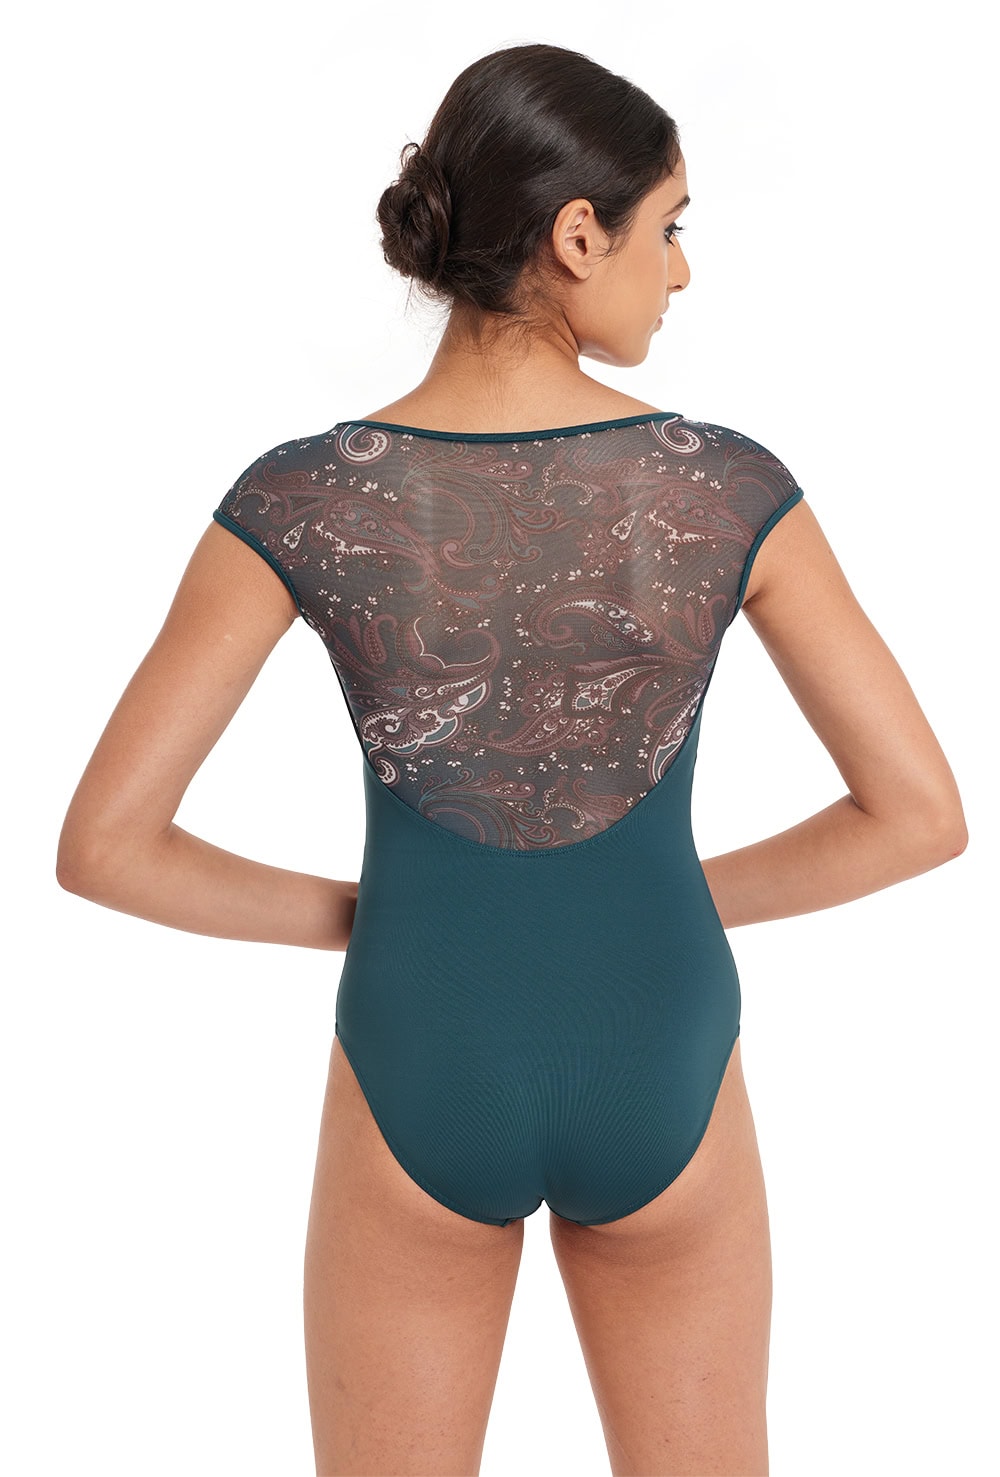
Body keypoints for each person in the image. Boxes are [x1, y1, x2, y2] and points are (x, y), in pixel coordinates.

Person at [56, 40, 967, 1477]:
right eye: (671, 227)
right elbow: (918, 815)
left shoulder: (302, 498)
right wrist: (657, 901)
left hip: (418, 1045)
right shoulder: (725, 488)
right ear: (578, 234)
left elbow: (107, 846)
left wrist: (384, 916)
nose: (681, 272)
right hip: (663, 1045)